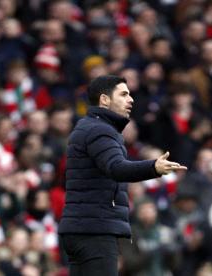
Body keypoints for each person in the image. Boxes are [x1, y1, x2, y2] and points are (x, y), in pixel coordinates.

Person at [58, 75, 187, 276]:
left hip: (82, 227)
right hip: (95, 230)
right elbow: (117, 168)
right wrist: (154, 167)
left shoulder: (87, 127)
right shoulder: (101, 130)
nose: (131, 100)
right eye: (124, 94)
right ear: (104, 100)